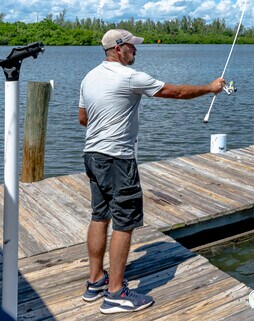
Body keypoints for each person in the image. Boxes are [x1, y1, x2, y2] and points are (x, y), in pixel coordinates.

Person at [78, 29, 224, 314]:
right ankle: (116, 293)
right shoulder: (130, 77)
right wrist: (210, 88)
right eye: (132, 46)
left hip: (91, 155)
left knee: (99, 215)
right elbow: (177, 92)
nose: (136, 51)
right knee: (124, 221)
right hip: (118, 159)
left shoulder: (89, 77)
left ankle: (95, 280)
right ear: (119, 49)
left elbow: (83, 118)